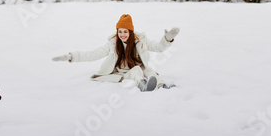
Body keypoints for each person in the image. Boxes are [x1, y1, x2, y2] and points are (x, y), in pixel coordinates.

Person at [52, 14, 180, 92]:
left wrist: (167, 39)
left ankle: (162, 85)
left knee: (149, 71)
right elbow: (93, 54)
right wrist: (72, 56)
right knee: (136, 71)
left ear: (130, 32)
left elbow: (159, 48)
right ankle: (143, 85)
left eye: (125, 31)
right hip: (123, 72)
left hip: (140, 67)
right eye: (120, 31)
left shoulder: (141, 40)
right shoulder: (113, 43)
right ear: (117, 32)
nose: (122, 34)